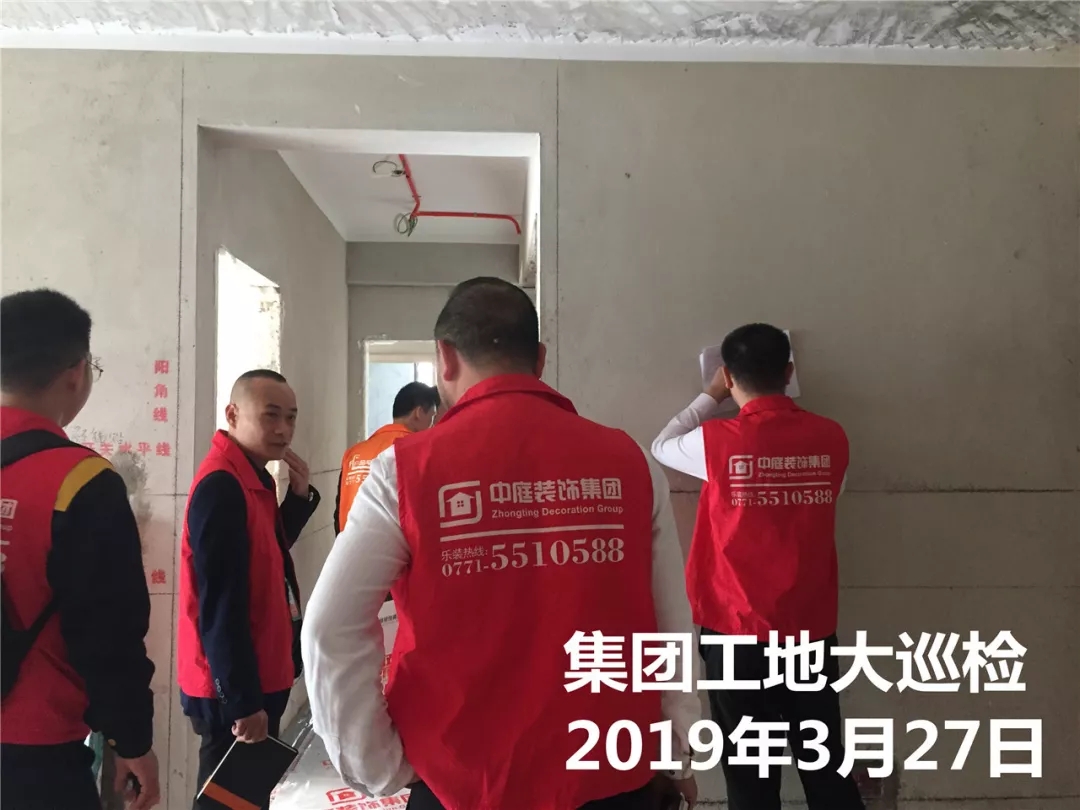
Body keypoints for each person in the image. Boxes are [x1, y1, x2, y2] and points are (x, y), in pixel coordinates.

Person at [302, 277, 701, 810]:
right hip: (610, 774)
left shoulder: (405, 472)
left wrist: (378, 765)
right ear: (539, 359)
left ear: (445, 358)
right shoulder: (631, 463)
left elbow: (330, 628)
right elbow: (670, 621)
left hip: (461, 783)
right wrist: (677, 754)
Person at [651, 323, 863, 810]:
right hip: (809, 630)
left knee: (750, 772)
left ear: (727, 376)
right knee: (825, 763)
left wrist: (710, 396)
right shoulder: (831, 436)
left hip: (736, 631)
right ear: (788, 372)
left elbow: (662, 445)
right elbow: (834, 492)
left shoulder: (715, 441)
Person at [0, 289, 160, 810]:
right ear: (76, 372)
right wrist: (132, 742)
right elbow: (109, 634)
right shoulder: (79, 480)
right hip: (34, 753)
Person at [176, 369, 320, 805]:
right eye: (270, 415)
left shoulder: (252, 478)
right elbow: (220, 604)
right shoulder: (222, 486)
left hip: (258, 672)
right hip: (235, 686)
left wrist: (298, 498)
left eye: (291, 417)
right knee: (227, 804)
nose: (283, 429)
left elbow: (264, 554)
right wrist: (241, 702)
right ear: (233, 414)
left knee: (244, 801)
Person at [334, 381, 440, 534]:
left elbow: (338, 512)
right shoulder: (419, 451)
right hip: (395, 546)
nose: (433, 425)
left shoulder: (353, 453)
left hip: (349, 545)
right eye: (432, 417)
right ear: (418, 413)